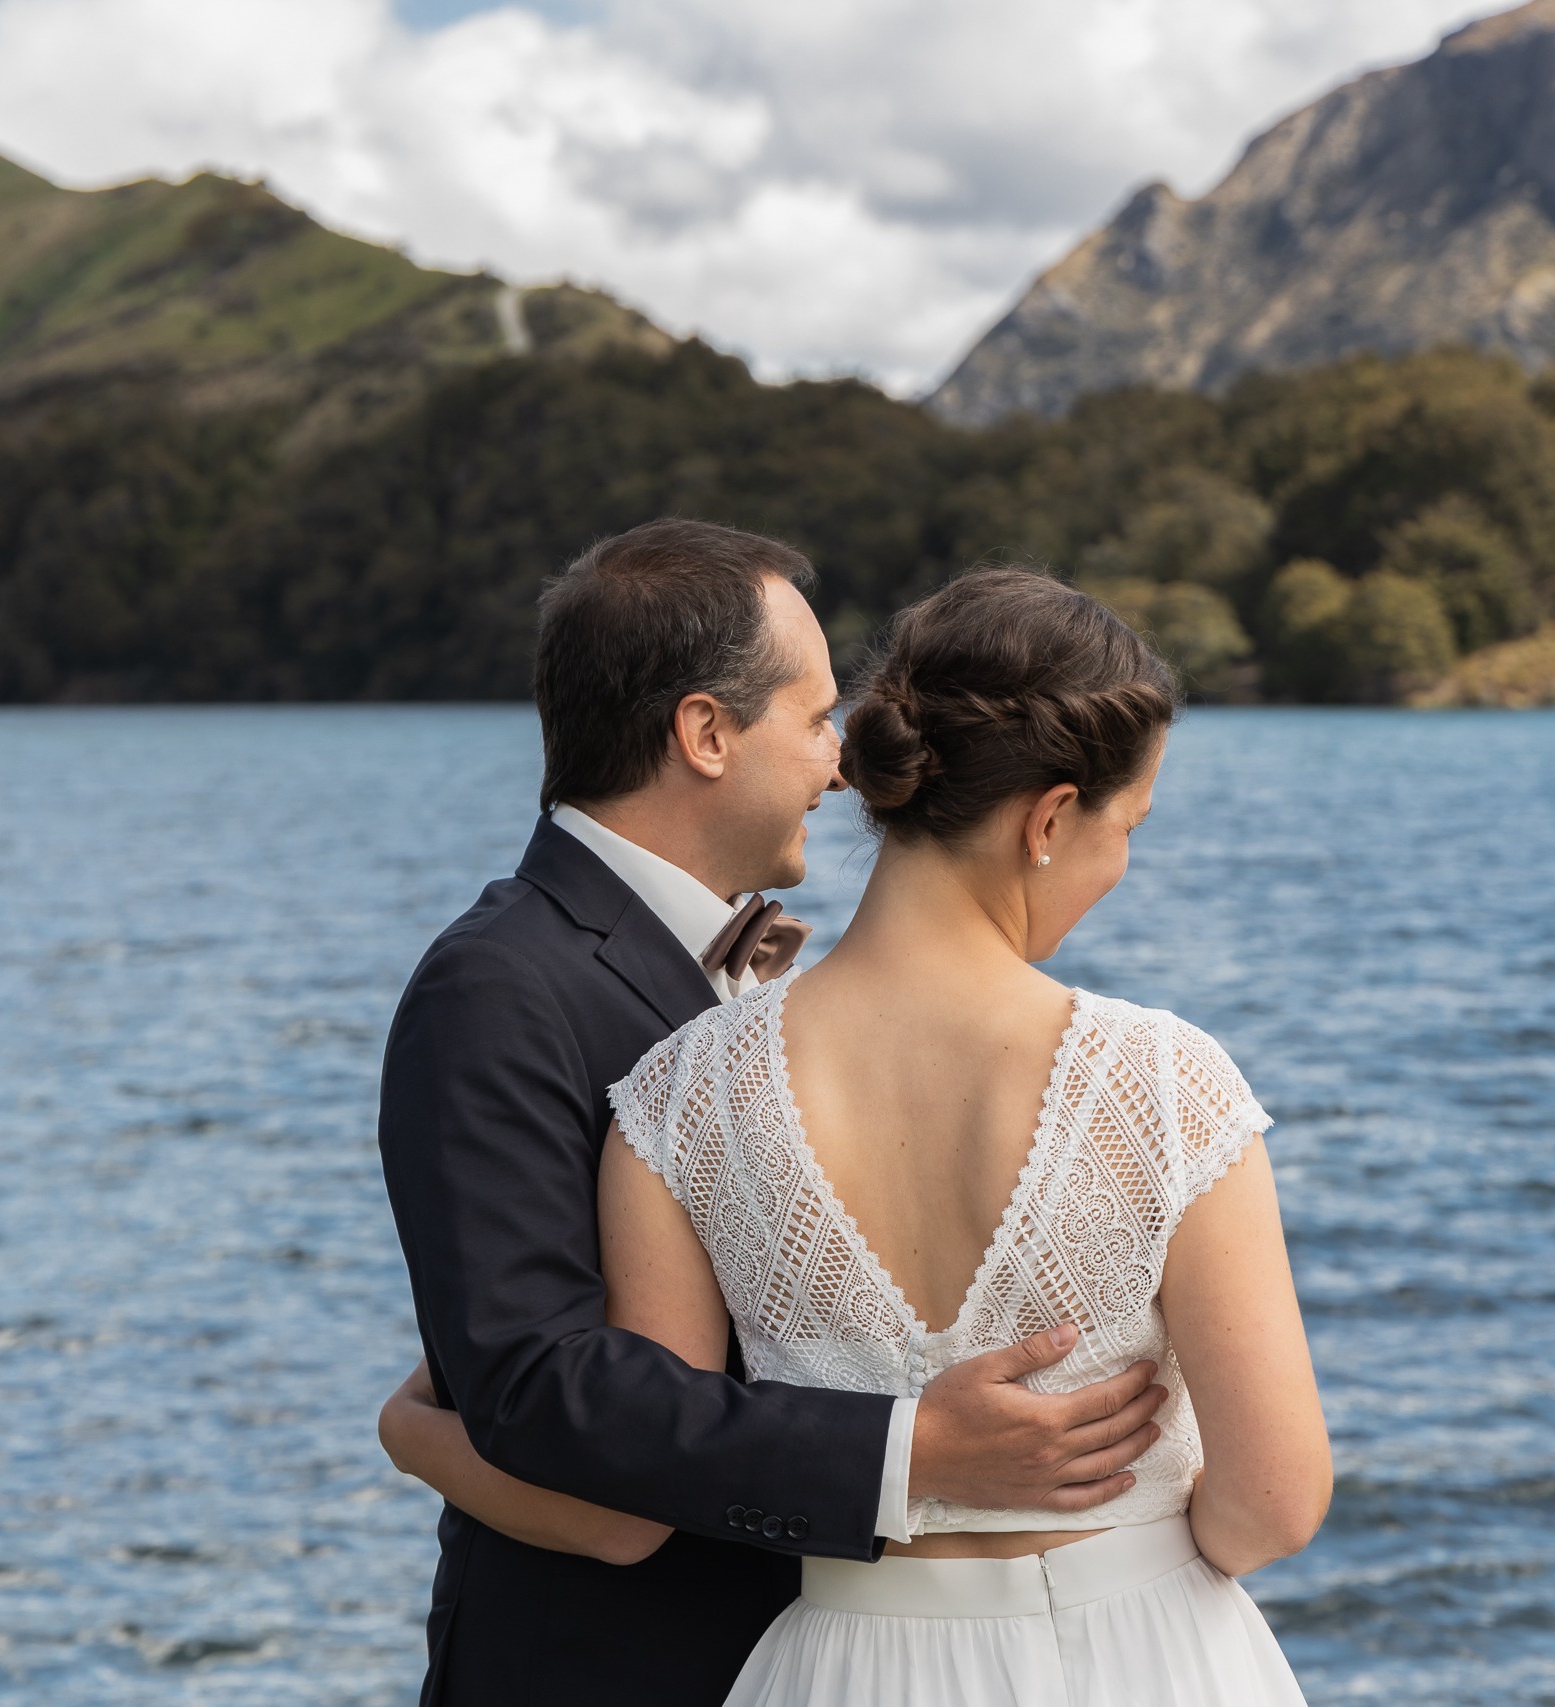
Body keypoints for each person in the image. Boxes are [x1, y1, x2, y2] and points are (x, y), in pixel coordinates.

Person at [373, 526, 1175, 1706]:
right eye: (813, 721)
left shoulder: (746, 975)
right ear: (704, 734)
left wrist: (420, 1426)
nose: (842, 765)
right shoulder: (497, 984)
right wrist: (909, 1453)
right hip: (610, 1671)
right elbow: (540, 1385)